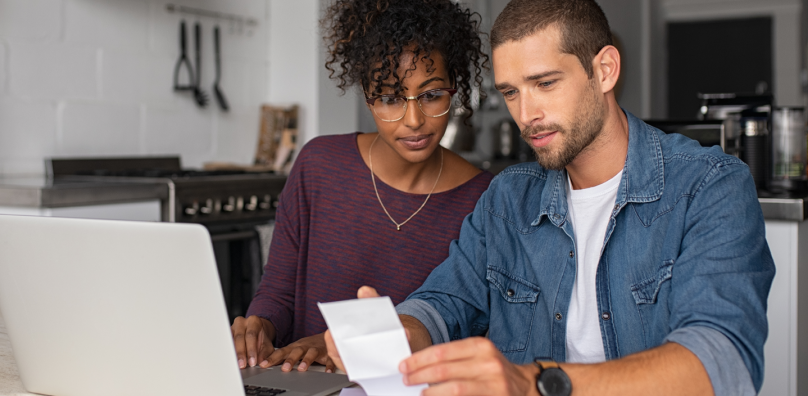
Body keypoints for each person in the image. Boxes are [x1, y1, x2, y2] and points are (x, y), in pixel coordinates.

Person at [325, 0, 775, 395]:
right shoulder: (508, 197)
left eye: (545, 84)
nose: (527, 115)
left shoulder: (710, 187)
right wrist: (401, 333)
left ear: (604, 70)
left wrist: (535, 384)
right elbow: (446, 302)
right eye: (511, 92)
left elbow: (721, 362)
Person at [231, 0, 493, 374]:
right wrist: (260, 326)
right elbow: (279, 293)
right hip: (303, 383)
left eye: (432, 95)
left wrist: (336, 346)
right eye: (389, 98)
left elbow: (463, 328)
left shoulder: (483, 199)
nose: (414, 120)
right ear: (367, 95)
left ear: (455, 86)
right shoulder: (318, 165)